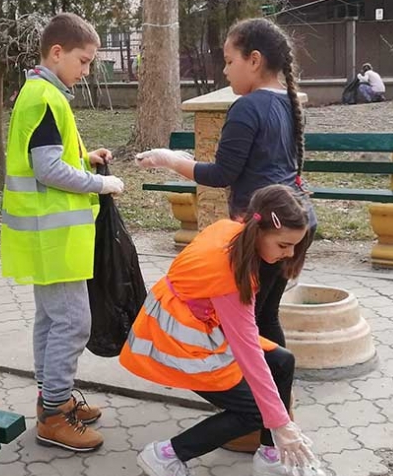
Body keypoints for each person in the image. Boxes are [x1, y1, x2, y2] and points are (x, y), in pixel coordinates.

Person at [119, 185, 327, 476]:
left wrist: (280, 425)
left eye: (294, 248)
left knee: (282, 361)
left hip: (201, 326)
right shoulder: (232, 278)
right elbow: (249, 354)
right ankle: (168, 455)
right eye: (284, 245)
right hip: (180, 341)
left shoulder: (233, 230)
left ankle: (270, 457)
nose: (289, 254)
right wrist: (281, 424)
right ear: (259, 230)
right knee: (255, 411)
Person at [135, 17, 315, 349]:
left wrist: (169, 160)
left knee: (249, 324)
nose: (225, 71)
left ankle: (255, 395)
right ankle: (278, 393)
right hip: (296, 220)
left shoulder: (247, 107)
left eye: (230, 61)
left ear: (255, 60)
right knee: (266, 316)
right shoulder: (288, 103)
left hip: (266, 230)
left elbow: (221, 175)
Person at [0, 12, 125, 452]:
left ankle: (51, 397)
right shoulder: (46, 98)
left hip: (42, 234)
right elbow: (48, 168)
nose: (87, 70)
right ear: (57, 52)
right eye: (84, 60)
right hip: (54, 237)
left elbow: (48, 155)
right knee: (73, 322)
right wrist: (101, 182)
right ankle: (54, 414)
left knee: (52, 321)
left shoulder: (40, 92)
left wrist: (83, 156)